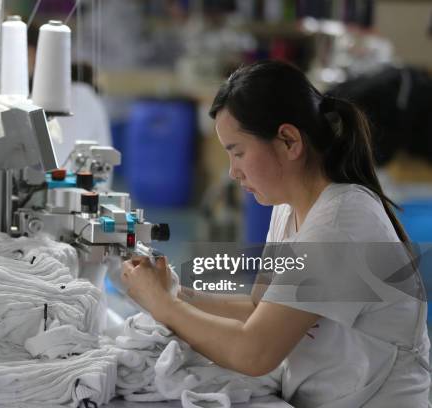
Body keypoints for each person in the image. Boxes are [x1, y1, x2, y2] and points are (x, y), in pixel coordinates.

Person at [121, 60, 431, 407]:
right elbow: (260, 308)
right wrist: (177, 293)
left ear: (288, 140)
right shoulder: (289, 207)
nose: (233, 172)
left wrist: (162, 305)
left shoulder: (343, 222)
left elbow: (255, 352)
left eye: (238, 153)